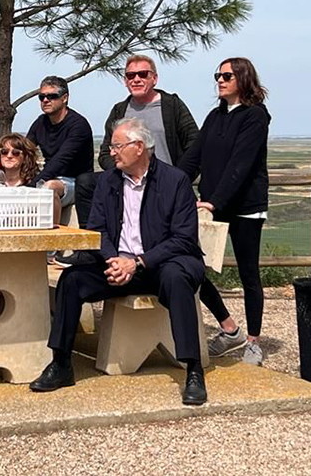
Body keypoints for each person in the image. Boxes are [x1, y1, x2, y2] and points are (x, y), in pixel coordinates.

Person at [30, 118, 207, 406]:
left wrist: (136, 262)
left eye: (117, 146)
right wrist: (114, 260)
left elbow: (183, 239)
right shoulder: (108, 181)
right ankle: (61, 364)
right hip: (118, 265)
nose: (111, 152)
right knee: (71, 280)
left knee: (177, 279)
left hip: (163, 264)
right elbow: (97, 228)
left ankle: (193, 370)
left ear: (139, 147)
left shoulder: (175, 181)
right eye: (112, 146)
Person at [178, 57, 272, 366]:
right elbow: (194, 157)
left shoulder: (255, 117)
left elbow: (241, 165)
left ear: (243, 79)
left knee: (248, 274)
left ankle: (254, 342)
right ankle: (229, 328)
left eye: (227, 75)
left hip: (244, 206)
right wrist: (170, 187)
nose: (219, 80)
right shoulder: (214, 117)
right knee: (192, 267)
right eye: (217, 75)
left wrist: (214, 201)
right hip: (212, 204)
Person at [72, 54, 199, 227]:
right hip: (126, 181)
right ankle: (90, 247)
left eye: (143, 74)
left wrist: (177, 178)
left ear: (154, 78)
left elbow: (195, 146)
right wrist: (126, 173)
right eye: (131, 76)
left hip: (163, 182)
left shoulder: (172, 106)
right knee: (85, 182)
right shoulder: (119, 110)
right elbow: (104, 154)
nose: (136, 79)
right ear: (125, 81)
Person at [25, 76, 94, 212]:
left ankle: (52, 232)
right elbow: (24, 150)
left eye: (52, 96)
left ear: (64, 98)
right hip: (50, 176)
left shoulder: (78, 125)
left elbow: (61, 160)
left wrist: (32, 186)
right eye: (42, 97)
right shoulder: (41, 123)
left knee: (49, 188)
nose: (45, 100)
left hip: (75, 182)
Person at [0, 133, 62, 222]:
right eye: (4, 152)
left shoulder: (34, 181)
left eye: (15, 153)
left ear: (25, 156)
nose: (9, 156)